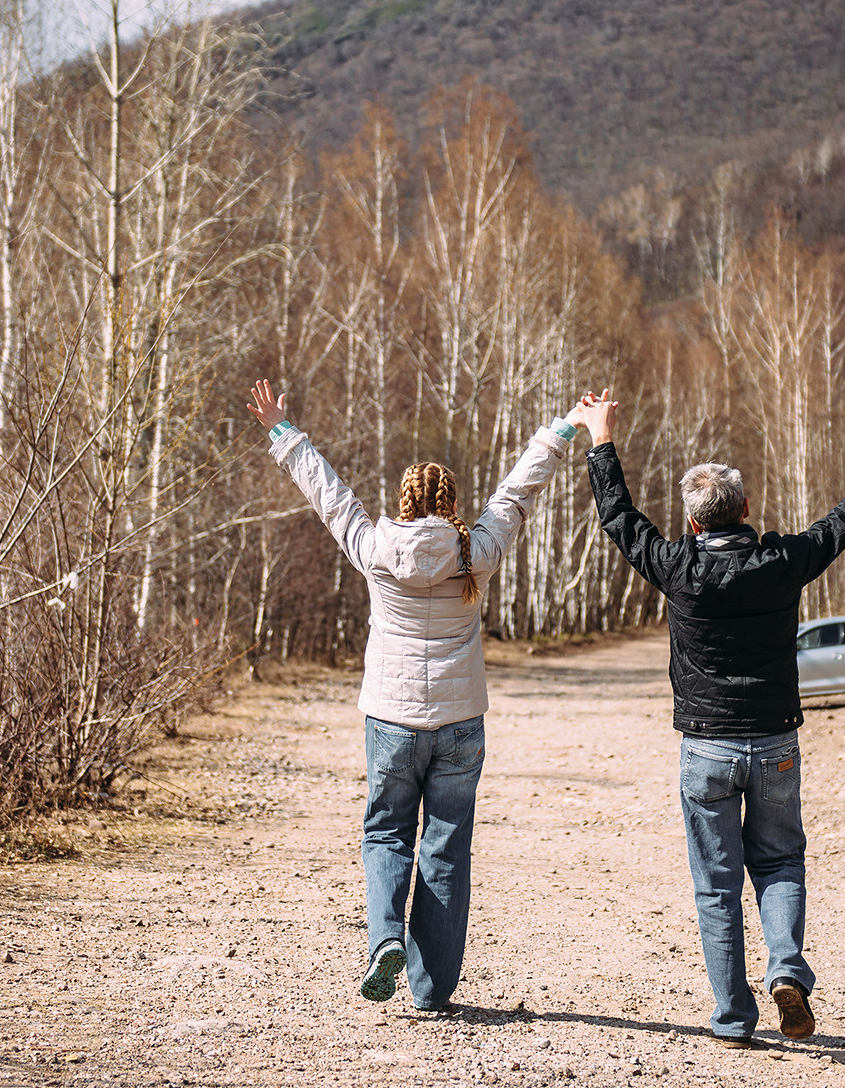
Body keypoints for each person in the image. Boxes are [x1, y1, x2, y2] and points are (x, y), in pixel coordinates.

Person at [573, 393, 845, 1047]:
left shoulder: (677, 567)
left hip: (705, 750)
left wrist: (602, 438)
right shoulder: (779, 563)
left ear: (691, 520)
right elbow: (839, 526)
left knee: (716, 889)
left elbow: (618, 518)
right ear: (745, 509)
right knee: (781, 861)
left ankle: (733, 1018)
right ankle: (787, 967)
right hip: (775, 744)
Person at [246, 379, 598, 1011]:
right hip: (461, 721)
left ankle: (385, 939)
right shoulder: (474, 552)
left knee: (386, 832)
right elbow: (520, 490)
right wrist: (567, 425)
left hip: (391, 718)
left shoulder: (377, 548)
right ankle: (430, 989)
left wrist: (282, 430)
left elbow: (329, 497)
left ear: (403, 502)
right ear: (452, 500)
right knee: (445, 845)